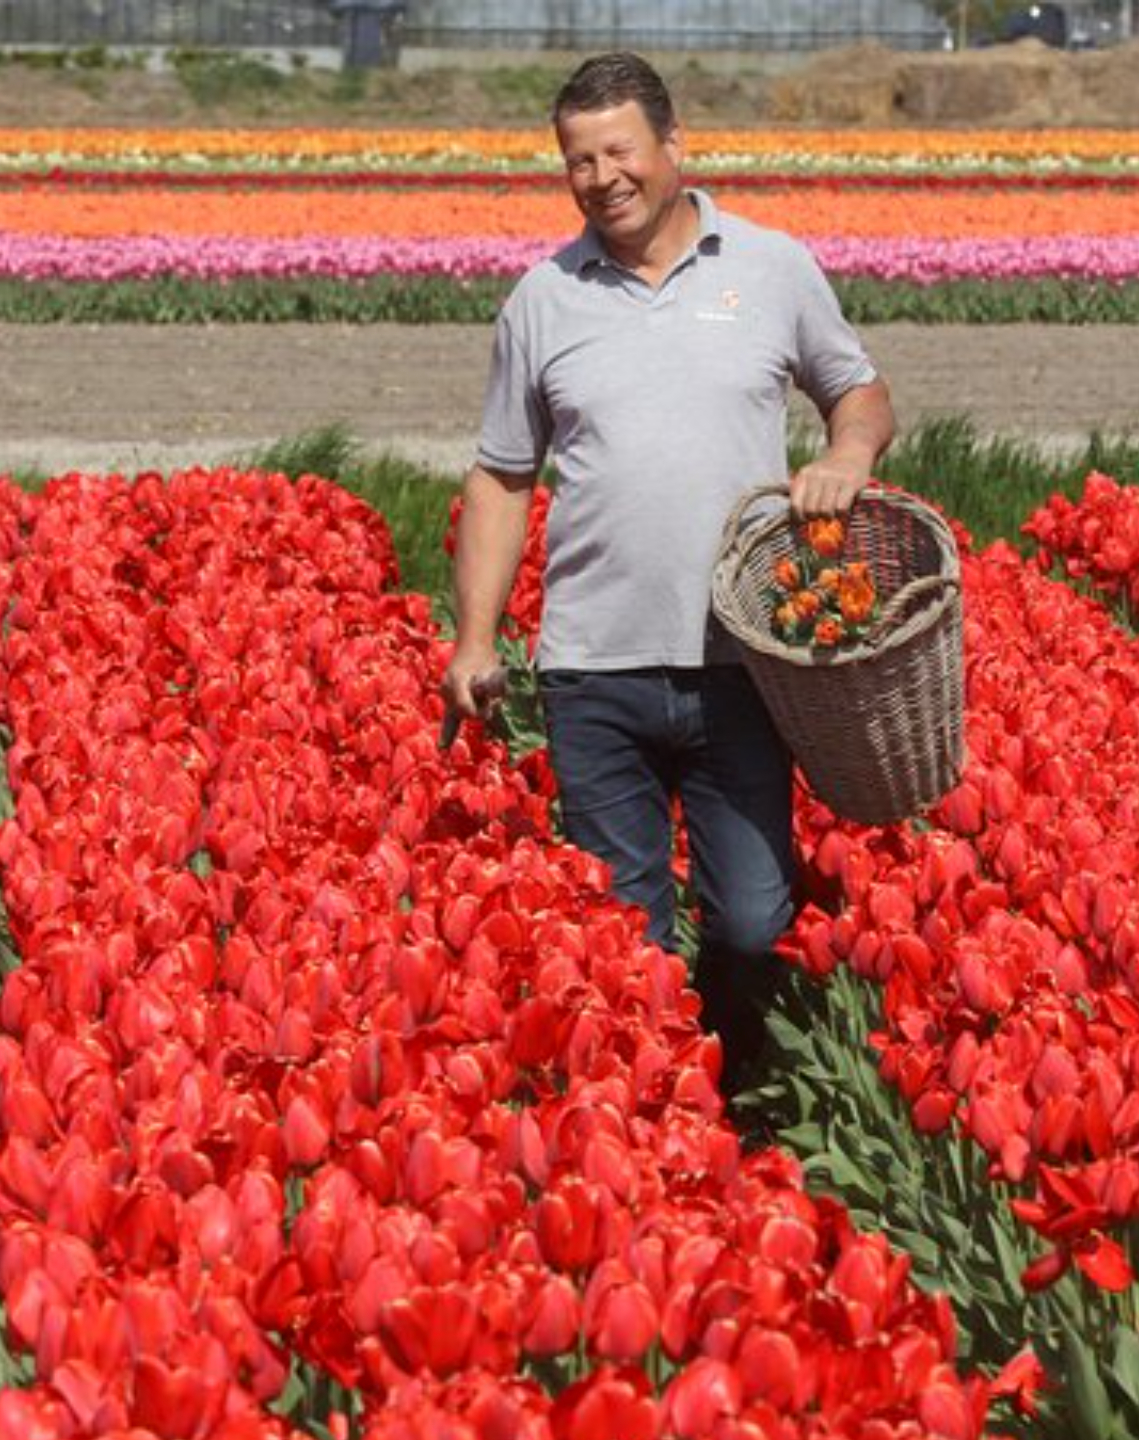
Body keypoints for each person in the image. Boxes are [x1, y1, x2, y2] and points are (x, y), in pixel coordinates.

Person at [442, 52, 895, 1091]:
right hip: (592, 667)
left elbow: (860, 394)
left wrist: (846, 457)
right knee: (623, 928)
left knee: (750, 917)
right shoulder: (541, 301)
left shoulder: (772, 269)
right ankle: (652, 1127)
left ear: (674, 147)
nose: (601, 178)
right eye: (577, 160)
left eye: (619, 152)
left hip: (741, 662)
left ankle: (731, 1077)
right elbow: (503, 476)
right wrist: (474, 638)